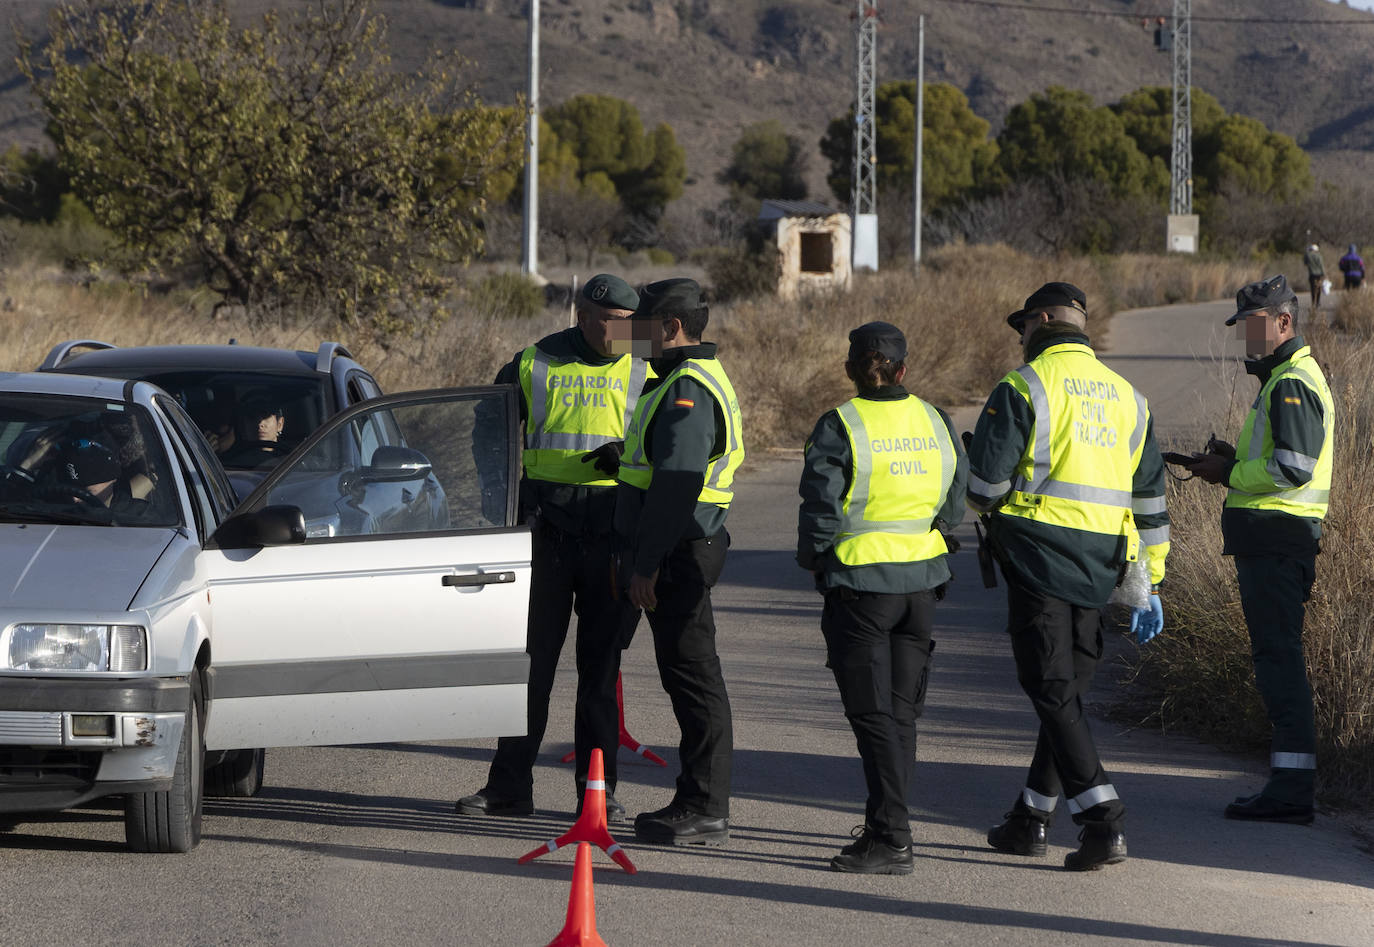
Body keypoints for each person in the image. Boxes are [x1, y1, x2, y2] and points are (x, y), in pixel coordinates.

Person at [966, 281, 1170, 872]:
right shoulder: (1129, 397)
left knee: (1052, 691)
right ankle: (1029, 820)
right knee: (1066, 695)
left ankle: (1102, 822)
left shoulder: (1024, 386)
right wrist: (1148, 582)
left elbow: (983, 492)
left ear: (1045, 320)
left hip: (1040, 560)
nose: (1021, 337)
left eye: (1024, 325)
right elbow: (1152, 500)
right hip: (1102, 569)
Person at [457, 273, 648, 820]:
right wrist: (504, 502)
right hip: (546, 532)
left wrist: (632, 462)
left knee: (599, 674)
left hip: (612, 534)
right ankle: (509, 787)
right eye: (611, 323)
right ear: (583, 315)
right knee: (531, 670)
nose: (621, 333)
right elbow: (488, 430)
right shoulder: (533, 362)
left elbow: (667, 439)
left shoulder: (647, 365)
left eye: (629, 325)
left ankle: (598, 795)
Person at [797, 321, 968, 875]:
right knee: (899, 716)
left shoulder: (840, 424)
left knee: (871, 716)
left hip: (862, 587)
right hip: (920, 584)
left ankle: (893, 838)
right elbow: (954, 495)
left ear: (851, 368)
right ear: (904, 368)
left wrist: (818, 558)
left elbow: (820, 506)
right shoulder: (936, 419)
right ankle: (883, 827)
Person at [1183, 275, 1333, 825]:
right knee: (1277, 658)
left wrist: (1229, 473)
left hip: (1277, 539)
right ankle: (1287, 787)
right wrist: (1229, 460)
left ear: (1284, 322)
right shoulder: (1282, 380)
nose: (1246, 337)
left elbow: (1293, 467)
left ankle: (1291, 792)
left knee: (1279, 661)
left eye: (1253, 325)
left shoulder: (1292, 381)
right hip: (1273, 540)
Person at [614, 277, 744, 848]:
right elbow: (659, 459)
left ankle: (704, 805)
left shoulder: (687, 386)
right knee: (687, 676)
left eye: (643, 326)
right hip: (683, 546)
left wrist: (646, 564)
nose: (634, 337)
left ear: (671, 328)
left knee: (695, 680)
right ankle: (698, 797)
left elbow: (677, 483)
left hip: (681, 552)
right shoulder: (678, 380)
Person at [1302, 244, 1325, 313]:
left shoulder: (1308, 255)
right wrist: (1324, 274)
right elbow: (1321, 265)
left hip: (1312, 274)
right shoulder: (1319, 256)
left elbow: (1305, 263)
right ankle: (1318, 302)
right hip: (1319, 275)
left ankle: (1313, 302)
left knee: (1313, 289)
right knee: (1318, 288)